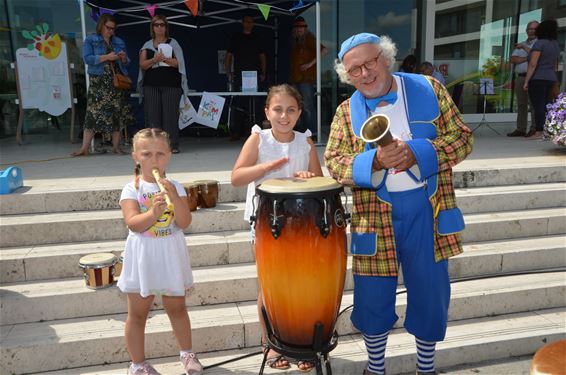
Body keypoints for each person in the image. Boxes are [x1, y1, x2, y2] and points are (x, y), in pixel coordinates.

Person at [325, 33, 473, 375]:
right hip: (375, 216)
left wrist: (419, 152)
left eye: (370, 62)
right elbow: (333, 162)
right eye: (354, 70)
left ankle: (426, 368)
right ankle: (375, 369)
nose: (364, 73)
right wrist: (373, 163)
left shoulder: (429, 89)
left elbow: (463, 137)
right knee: (372, 298)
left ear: (386, 58)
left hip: (428, 208)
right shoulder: (346, 112)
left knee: (430, 293)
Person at [231, 84, 322, 372]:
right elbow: (236, 177)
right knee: (270, 286)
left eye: (291, 110)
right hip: (265, 222)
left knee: (301, 285)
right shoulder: (258, 139)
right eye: (278, 109)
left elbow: (319, 180)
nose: (284, 115)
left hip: (300, 223)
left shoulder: (305, 142)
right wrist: (265, 168)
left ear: (299, 113)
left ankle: (300, 343)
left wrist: (308, 176)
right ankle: (271, 342)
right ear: (267, 111)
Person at [117, 128, 202, 375]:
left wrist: (175, 198)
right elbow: (132, 223)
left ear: (169, 155)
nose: (154, 160)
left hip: (170, 253)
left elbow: (184, 223)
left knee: (177, 308)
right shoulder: (131, 188)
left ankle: (187, 353)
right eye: (147, 154)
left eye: (160, 154)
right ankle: (138, 364)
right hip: (143, 255)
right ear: (135, 156)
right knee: (137, 314)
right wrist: (153, 213)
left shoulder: (176, 186)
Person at [72, 13, 135, 156]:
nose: (111, 31)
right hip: (99, 81)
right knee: (92, 114)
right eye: (108, 28)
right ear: (101, 26)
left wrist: (124, 58)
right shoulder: (91, 40)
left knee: (116, 114)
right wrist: (107, 57)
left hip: (115, 83)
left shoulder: (118, 41)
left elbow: (127, 63)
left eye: (113, 29)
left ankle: (116, 147)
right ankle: (84, 148)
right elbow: (87, 59)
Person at [138, 15, 189, 154]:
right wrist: (154, 59)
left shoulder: (173, 43)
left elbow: (179, 63)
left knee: (170, 117)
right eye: (156, 25)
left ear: (166, 27)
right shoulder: (147, 45)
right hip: (151, 86)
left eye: (162, 25)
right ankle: (154, 148)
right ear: (152, 27)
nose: (159, 27)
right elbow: (142, 65)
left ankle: (171, 146)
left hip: (171, 86)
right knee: (153, 118)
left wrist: (164, 59)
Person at [224, 14, 267, 141]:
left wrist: (263, 72)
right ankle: (237, 131)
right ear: (242, 23)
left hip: (255, 75)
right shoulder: (236, 37)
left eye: (251, 22)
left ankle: (257, 131)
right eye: (247, 22)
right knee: (238, 104)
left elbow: (262, 56)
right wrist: (228, 72)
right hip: (240, 75)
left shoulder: (257, 37)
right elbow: (229, 55)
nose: (249, 24)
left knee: (256, 103)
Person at [289, 16, 328, 139]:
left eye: (302, 27)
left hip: (306, 79)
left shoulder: (309, 38)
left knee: (308, 106)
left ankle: (314, 133)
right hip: (295, 79)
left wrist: (310, 64)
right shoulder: (295, 41)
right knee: (297, 106)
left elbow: (324, 50)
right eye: (298, 27)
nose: (300, 29)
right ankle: (302, 131)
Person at [523, 19, 560, 140]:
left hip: (538, 78)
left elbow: (533, 64)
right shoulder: (555, 44)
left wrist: (526, 80)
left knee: (538, 106)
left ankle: (539, 131)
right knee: (547, 105)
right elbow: (555, 64)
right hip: (551, 78)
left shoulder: (539, 43)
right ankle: (548, 131)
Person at [507, 20, 539, 137]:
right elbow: (513, 59)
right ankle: (521, 128)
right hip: (520, 77)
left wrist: (525, 50)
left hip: (532, 77)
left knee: (533, 104)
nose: (532, 31)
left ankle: (534, 128)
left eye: (534, 29)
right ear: (526, 31)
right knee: (521, 104)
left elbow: (535, 57)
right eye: (530, 29)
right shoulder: (521, 44)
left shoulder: (539, 44)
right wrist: (527, 58)